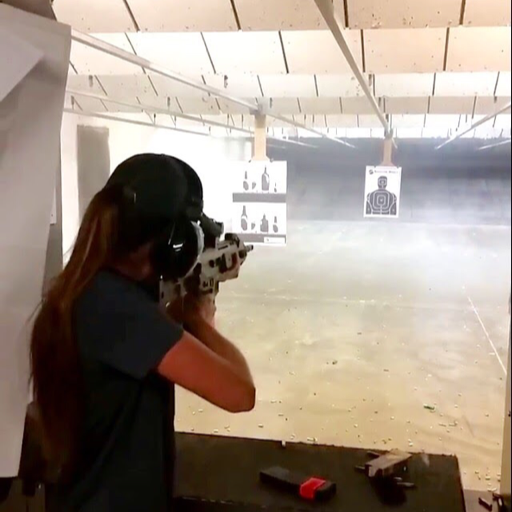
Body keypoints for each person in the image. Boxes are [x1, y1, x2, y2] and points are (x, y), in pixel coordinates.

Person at [29, 154, 255, 512]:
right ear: (172, 245)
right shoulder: (118, 310)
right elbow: (239, 392)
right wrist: (198, 316)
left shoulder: (90, 292)